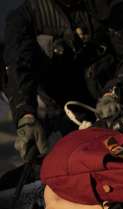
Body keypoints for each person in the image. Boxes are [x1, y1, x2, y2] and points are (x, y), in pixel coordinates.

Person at [2, 0, 113, 159]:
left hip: (109, 101)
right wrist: (26, 116)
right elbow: (19, 65)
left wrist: (114, 91)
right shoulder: (25, 17)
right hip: (62, 112)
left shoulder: (99, 8)